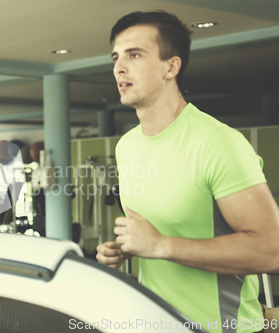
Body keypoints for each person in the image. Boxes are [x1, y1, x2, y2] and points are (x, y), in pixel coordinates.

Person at [96, 11, 279, 333]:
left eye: (134, 55)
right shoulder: (127, 147)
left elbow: (271, 250)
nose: (119, 68)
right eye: (116, 57)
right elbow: (166, 227)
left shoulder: (218, 143)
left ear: (172, 66)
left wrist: (160, 245)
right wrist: (125, 248)